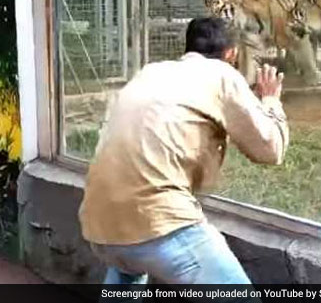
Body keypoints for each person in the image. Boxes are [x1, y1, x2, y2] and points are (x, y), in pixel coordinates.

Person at [78, 17, 289, 289]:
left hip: (99, 226)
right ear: (231, 54)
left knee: (130, 268)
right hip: (158, 224)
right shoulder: (223, 75)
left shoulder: (150, 72)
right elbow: (270, 150)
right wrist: (270, 101)